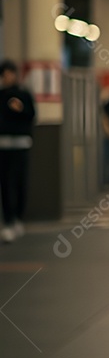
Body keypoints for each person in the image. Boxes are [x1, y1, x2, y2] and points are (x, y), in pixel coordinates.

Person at [0, 60, 35, 243]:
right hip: (4, 144)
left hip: (21, 143)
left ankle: (19, 218)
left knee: (20, 182)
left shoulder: (24, 94)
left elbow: (31, 115)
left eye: (10, 73)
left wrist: (20, 110)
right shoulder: (1, 96)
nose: (8, 77)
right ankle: (9, 220)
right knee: (5, 184)